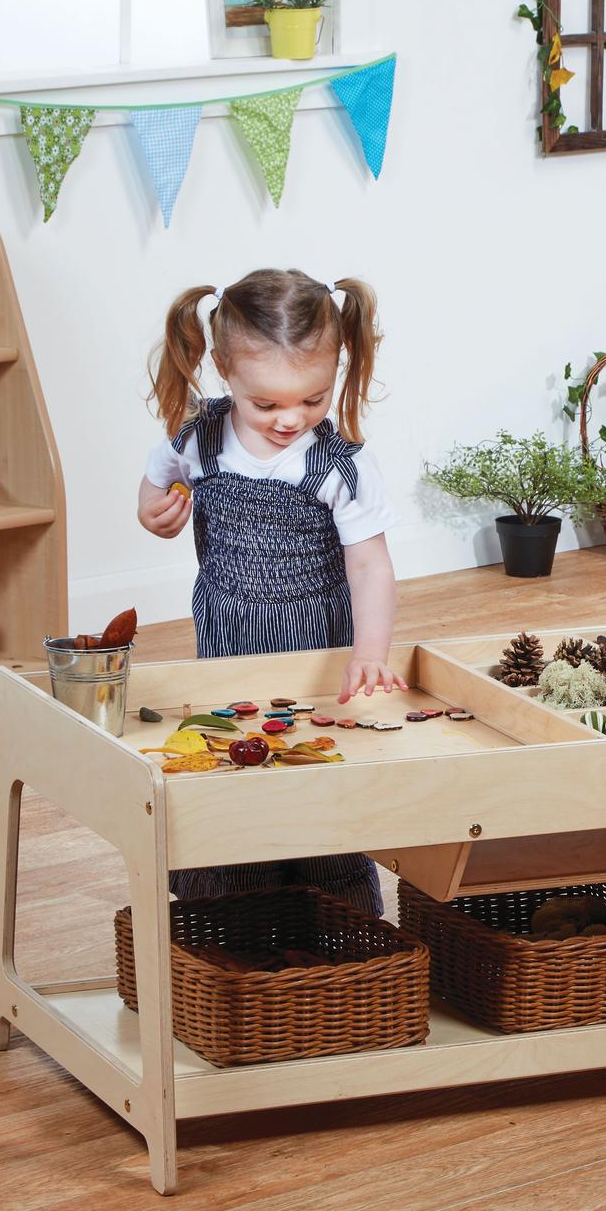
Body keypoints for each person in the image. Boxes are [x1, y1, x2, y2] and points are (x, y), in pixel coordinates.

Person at [137, 267, 400, 913]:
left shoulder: (338, 465)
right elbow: (155, 481)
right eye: (269, 404)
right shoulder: (199, 434)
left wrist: (371, 650)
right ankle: (231, 911)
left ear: (337, 367)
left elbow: (370, 566)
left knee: (316, 783)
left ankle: (335, 910)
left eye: (312, 399)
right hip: (226, 650)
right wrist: (155, 512)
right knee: (234, 777)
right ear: (225, 368)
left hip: (315, 658)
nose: (292, 419)